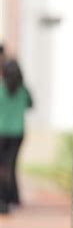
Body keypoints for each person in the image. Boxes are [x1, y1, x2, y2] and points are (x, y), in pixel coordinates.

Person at [0, 59, 33, 213]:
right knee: (11, 165)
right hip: (17, 133)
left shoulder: (1, 89)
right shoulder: (23, 90)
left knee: (2, 166)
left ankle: (4, 199)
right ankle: (13, 197)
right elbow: (30, 105)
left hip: (2, 132)